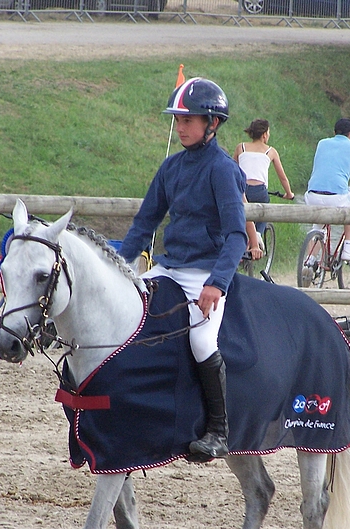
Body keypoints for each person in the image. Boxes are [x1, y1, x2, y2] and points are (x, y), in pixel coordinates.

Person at [118, 77, 247, 462]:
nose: (181, 126)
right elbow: (144, 224)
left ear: (213, 123)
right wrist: (120, 268)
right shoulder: (170, 166)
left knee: (202, 342)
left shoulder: (223, 170)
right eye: (178, 119)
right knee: (127, 314)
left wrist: (217, 284)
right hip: (168, 268)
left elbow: (237, 236)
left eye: (189, 119)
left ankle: (219, 432)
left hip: (205, 273)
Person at [304, 118, 350, 263]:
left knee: (318, 226)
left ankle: (309, 260)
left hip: (312, 195)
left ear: (334, 132)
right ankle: (348, 248)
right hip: (336, 197)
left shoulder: (322, 143)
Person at [234, 119, 295, 261]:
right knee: (264, 211)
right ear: (264, 135)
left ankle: (243, 244)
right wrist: (289, 193)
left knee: (242, 216)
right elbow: (283, 177)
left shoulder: (240, 147)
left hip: (243, 189)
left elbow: (233, 169)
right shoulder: (271, 151)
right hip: (260, 190)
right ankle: (258, 234)